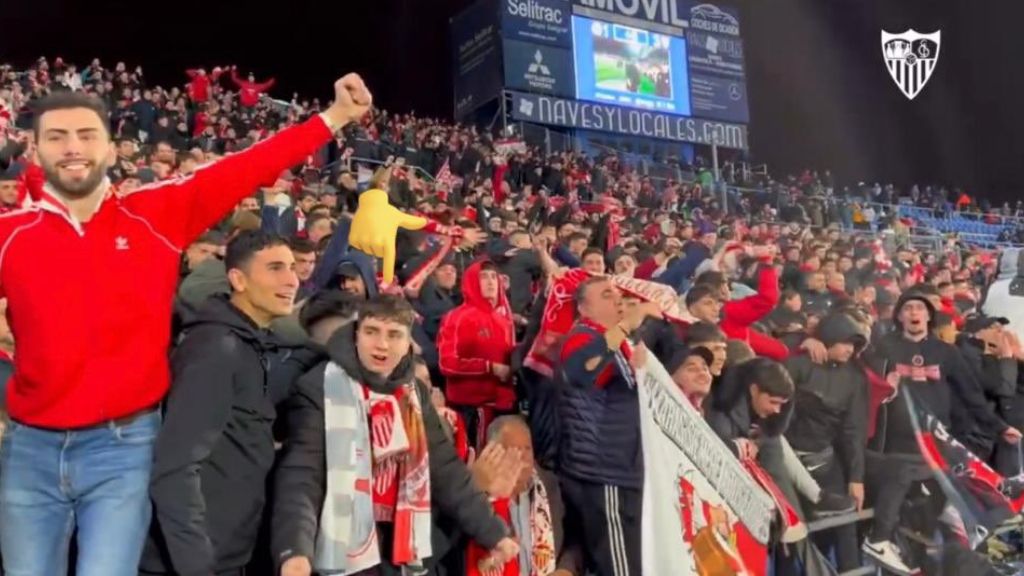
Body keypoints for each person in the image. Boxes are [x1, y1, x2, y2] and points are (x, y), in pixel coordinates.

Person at [0, 74, 371, 576]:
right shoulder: (11, 235)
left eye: (86, 135)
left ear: (110, 149)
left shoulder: (157, 214)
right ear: (35, 150)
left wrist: (334, 118)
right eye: (57, 137)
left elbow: (248, 167)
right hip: (31, 449)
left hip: (122, 448)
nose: (72, 148)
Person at [271, 295, 518, 576]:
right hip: (340, 548)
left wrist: (493, 533)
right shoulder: (319, 385)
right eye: (372, 331)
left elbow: (445, 470)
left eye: (394, 335)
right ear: (356, 334)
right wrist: (294, 549)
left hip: (398, 549)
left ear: (408, 343)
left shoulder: (415, 392)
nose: (382, 344)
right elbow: (302, 474)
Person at [143, 231, 299, 576]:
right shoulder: (216, 349)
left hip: (226, 555)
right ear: (238, 279)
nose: (291, 279)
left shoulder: (248, 344)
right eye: (275, 268)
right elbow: (175, 469)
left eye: (291, 267)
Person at [862, 292, 1023, 574]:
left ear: (928, 317)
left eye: (920, 309)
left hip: (935, 447)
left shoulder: (947, 353)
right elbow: (862, 377)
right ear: (899, 316)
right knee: (903, 511)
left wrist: (999, 428)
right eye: (908, 308)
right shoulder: (882, 348)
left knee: (935, 514)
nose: (914, 313)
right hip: (893, 445)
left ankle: (931, 565)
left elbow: (972, 396)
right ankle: (889, 551)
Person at [557, 275, 660, 576]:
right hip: (603, 473)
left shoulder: (616, 342)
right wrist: (629, 323)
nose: (617, 301)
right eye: (606, 295)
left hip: (622, 471)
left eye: (617, 295)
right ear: (583, 308)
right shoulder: (582, 336)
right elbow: (581, 370)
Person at [466, 415, 583, 576]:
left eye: (527, 448)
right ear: (491, 452)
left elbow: (575, 538)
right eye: (513, 449)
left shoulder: (550, 486)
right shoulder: (474, 498)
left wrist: (566, 569)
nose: (522, 457)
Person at [437, 259, 516, 449]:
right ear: (471, 281)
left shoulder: (502, 319)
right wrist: (489, 367)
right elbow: (447, 363)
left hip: (500, 406)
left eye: (493, 277)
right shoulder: (456, 317)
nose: (490, 282)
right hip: (470, 410)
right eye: (483, 277)